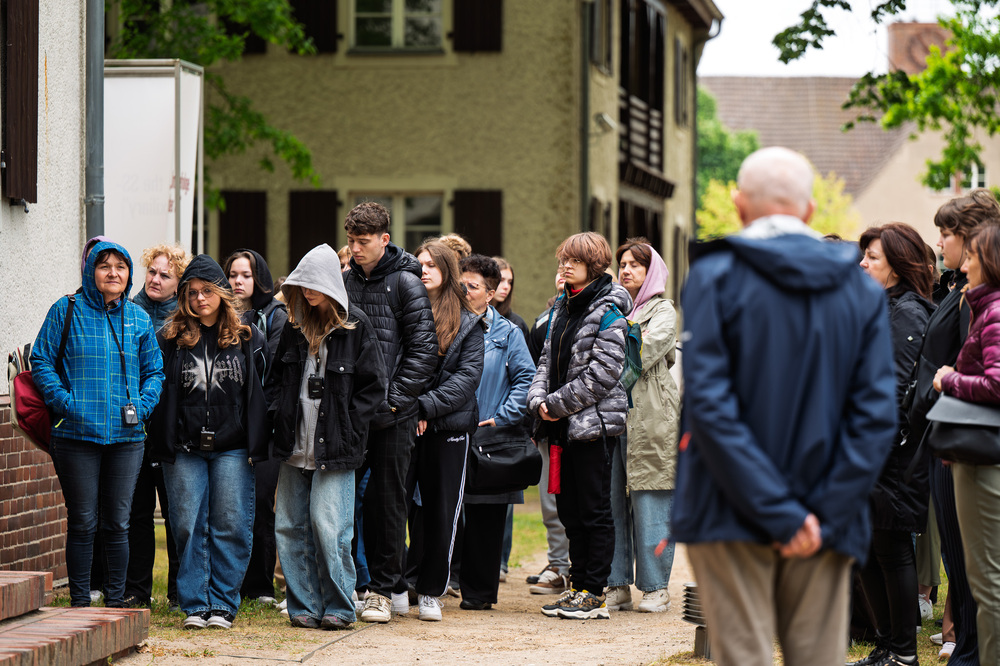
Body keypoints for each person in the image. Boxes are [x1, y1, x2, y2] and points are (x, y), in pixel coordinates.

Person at [672, 147, 897, 666]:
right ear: (811, 212)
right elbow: (875, 415)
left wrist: (778, 512)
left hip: (729, 504)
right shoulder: (860, 290)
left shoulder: (715, 275)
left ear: (739, 204)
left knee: (743, 655)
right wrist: (819, 511)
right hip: (828, 511)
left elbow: (709, 402)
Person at [31, 240, 165, 608]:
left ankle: (117, 601)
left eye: (121, 267)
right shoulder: (67, 310)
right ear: (91, 272)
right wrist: (65, 403)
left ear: (129, 275)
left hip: (127, 437)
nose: (113, 273)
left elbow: (155, 371)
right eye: (104, 266)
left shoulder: (138, 317)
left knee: (118, 523)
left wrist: (143, 403)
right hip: (76, 434)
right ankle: (79, 601)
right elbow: (40, 360)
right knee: (84, 521)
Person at [268, 244, 387, 630]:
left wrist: (350, 429)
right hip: (293, 445)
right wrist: (278, 417)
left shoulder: (358, 327)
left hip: (337, 448)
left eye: (314, 283)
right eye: (301, 284)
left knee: (329, 525)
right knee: (289, 525)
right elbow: (272, 382)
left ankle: (339, 605)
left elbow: (373, 389)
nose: (307, 291)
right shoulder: (292, 327)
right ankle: (302, 604)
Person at [149, 254, 269, 630]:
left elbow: (261, 390)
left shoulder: (248, 337)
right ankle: (195, 604)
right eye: (192, 292)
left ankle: (223, 603)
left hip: (233, 447)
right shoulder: (170, 338)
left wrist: (256, 443)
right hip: (184, 448)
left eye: (207, 291)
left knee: (230, 523)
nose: (200, 298)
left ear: (221, 293)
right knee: (187, 524)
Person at [909, 190, 1000, 666]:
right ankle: (966, 647)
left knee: (975, 567)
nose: (940, 243)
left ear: (973, 240)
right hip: (954, 436)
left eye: (946, 234)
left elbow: (989, 376)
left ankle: (969, 652)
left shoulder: (980, 300)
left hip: (971, 440)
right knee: (966, 566)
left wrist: (947, 379)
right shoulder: (960, 290)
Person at [526, 231, 632, 621]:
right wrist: (538, 400)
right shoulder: (562, 307)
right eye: (562, 260)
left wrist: (554, 405)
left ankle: (594, 592)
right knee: (568, 509)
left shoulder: (609, 310)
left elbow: (603, 375)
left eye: (574, 260)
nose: (565, 265)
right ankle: (578, 588)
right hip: (560, 427)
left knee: (593, 510)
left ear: (595, 265)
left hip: (591, 428)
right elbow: (544, 362)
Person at [342, 202, 438, 623]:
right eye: (350, 241)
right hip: (349, 414)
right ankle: (349, 585)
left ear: (385, 239)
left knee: (387, 503)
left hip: (393, 415)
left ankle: (383, 589)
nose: (355, 249)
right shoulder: (343, 282)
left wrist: (393, 401)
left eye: (363, 242)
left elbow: (424, 351)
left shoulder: (406, 283)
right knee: (341, 502)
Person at [851, 223, 935, 666]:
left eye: (873, 258)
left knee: (891, 548)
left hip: (890, 452)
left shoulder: (907, 312)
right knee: (867, 549)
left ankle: (903, 653)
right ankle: (886, 646)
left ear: (898, 266)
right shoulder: (879, 306)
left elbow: (895, 389)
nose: (862, 263)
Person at [402, 241, 485, 621]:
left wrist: (425, 408)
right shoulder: (403, 310)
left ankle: (432, 590)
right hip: (404, 422)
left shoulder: (468, 321)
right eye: (419, 263)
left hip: (448, 427)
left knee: (441, 510)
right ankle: (395, 585)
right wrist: (409, 407)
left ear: (448, 270)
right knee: (393, 506)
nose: (424, 270)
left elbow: (466, 379)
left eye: (432, 264)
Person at [934, 221, 1000, 666]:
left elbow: (997, 383)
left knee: (987, 581)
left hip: (983, 460)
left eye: (973, 255)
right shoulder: (984, 305)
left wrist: (949, 379)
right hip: (975, 457)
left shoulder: (994, 310)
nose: (965, 262)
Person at [605, 238, 679, 614]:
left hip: (651, 418)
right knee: (613, 500)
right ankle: (615, 584)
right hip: (614, 418)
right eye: (623, 263)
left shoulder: (663, 310)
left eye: (636, 264)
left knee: (651, 499)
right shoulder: (613, 306)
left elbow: (642, 352)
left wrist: (601, 358)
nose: (627, 269)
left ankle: (655, 588)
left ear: (652, 272)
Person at [456, 254, 535, 610]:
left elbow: (526, 381)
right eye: (461, 284)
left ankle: (479, 594)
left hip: (488, 436)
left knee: (487, 516)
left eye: (472, 287)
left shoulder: (508, 333)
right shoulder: (443, 323)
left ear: (490, 294)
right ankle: (439, 582)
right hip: (448, 430)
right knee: (444, 512)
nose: (464, 291)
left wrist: (502, 417)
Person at [125, 243, 190, 609]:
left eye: (166, 275)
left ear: (178, 283)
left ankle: (181, 592)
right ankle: (137, 591)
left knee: (177, 512)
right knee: (136, 512)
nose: (155, 279)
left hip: (173, 429)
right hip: (133, 427)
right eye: (152, 271)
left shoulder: (185, 322)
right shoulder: (128, 313)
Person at [224, 249, 289, 604]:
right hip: (226, 424)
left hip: (263, 424)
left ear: (259, 278)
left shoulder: (275, 317)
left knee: (261, 503)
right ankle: (229, 581)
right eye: (233, 274)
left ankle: (261, 585)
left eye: (245, 275)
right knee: (229, 505)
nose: (238, 282)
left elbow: (276, 372)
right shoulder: (215, 314)